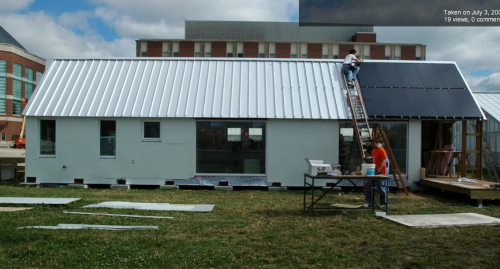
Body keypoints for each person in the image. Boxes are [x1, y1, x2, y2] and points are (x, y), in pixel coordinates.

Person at [363, 138, 388, 208]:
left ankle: (383, 203)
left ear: (377, 143)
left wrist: (379, 170)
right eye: (372, 144)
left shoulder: (382, 151)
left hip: (380, 172)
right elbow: (374, 162)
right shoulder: (373, 151)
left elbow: (383, 161)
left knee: (381, 188)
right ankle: (368, 202)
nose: (373, 145)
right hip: (373, 172)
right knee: (368, 185)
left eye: (374, 143)